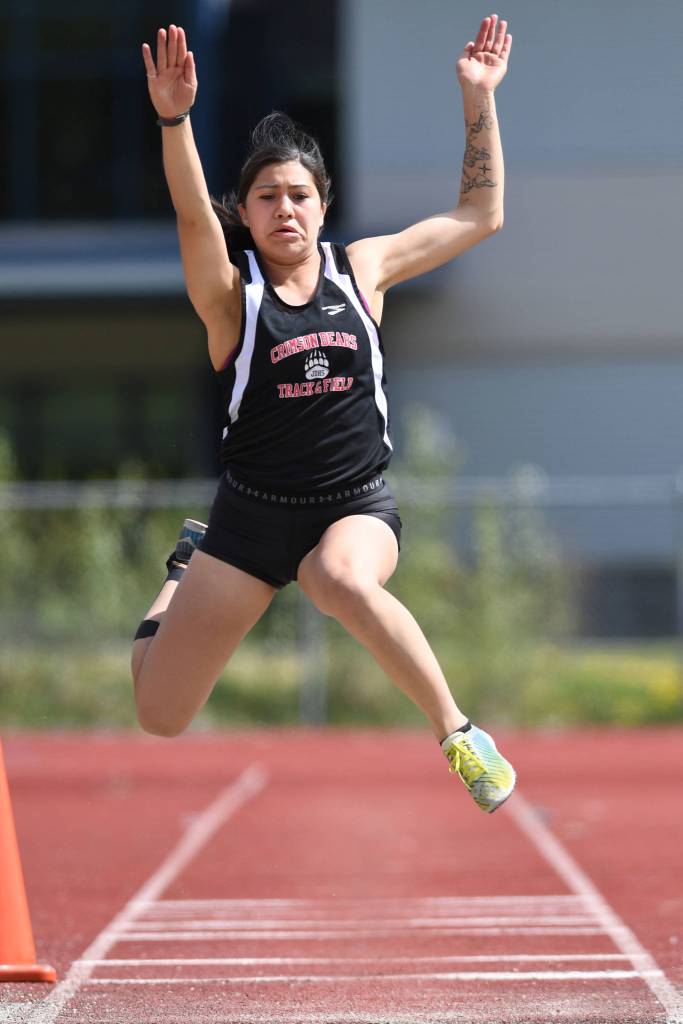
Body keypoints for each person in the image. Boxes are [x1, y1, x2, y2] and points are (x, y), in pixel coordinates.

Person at [135, 15, 515, 813]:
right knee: (159, 713)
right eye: (267, 197)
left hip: (354, 505)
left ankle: (457, 733)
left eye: (299, 195)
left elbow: (478, 216)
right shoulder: (228, 298)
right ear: (246, 211)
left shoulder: (364, 269)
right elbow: (191, 220)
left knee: (334, 576)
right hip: (247, 523)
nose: (285, 210)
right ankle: (180, 573)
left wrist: (476, 100)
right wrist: (174, 122)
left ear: (322, 202)